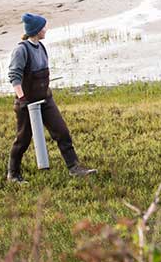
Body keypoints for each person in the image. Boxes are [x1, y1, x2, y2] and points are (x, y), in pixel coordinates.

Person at [6, 13, 97, 183]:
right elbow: (14, 76)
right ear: (35, 30)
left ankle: (74, 167)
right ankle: (13, 174)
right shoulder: (21, 50)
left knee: (62, 131)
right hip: (27, 103)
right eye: (43, 27)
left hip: (45, 99)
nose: (45, 30)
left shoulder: (41, 46)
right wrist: (22, 98)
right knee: (23, 139)